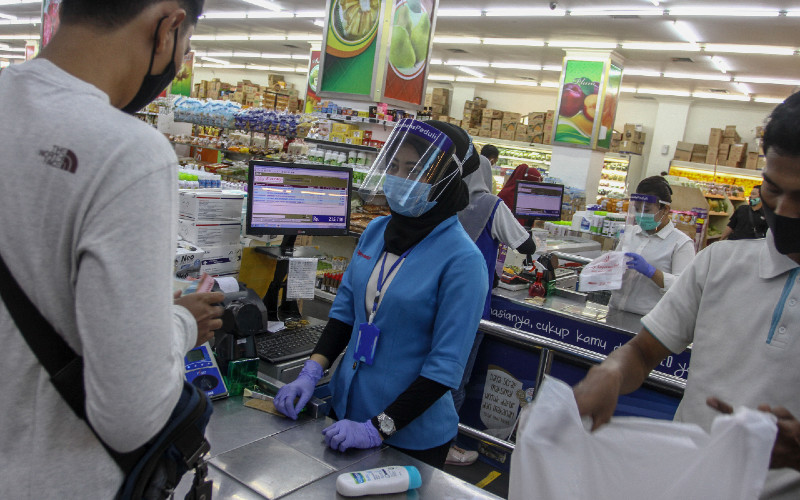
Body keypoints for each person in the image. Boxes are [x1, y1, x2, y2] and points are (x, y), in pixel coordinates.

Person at [0, 1, 225, 498]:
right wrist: (182, 323)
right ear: (167, 26)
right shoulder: (128, 153)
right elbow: (131, 416)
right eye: (186, 44)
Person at [573, 91, 800, 499]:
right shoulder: (720, 264)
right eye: (772, 188)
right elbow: (643, 353)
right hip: (684, 482)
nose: (782, 211)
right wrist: (610, 372)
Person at [274, 119, 488, 469]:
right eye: (394, 166)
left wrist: (378, 428)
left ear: (445, 179)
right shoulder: (376, 230)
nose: (400, 179)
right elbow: (344, 314)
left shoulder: (463, 261)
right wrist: (310, 373)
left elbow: (444, 368)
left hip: (411, 434)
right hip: (346, 410)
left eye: (415, 169)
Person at [447, 147, 538, 466]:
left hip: (437, 300)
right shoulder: (491, 205)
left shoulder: (445, 198)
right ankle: (446, 444)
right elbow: (526, 245)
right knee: (457, 379)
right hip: (472, 307)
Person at [609, 176, 696, 316]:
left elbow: (684, 287)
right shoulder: (630, 233)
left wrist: (651, 272)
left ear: (665, 209)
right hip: (615, 310)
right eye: (637, 209)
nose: (641, 215)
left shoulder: (681, 243)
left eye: (647, 210)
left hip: (650, 321)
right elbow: (613, 267)